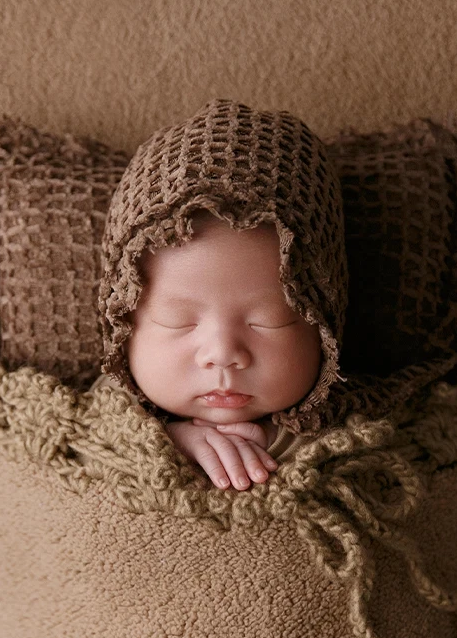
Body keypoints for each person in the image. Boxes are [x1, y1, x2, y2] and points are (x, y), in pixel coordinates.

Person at [91, 98, 350, 490]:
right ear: (122, 326)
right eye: (178, 321)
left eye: (269, 320)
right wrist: (166, 441)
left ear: (323, 325)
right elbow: (86, 433)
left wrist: (276, 442)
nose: (223, 354)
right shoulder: (104, 411)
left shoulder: (354, 416)